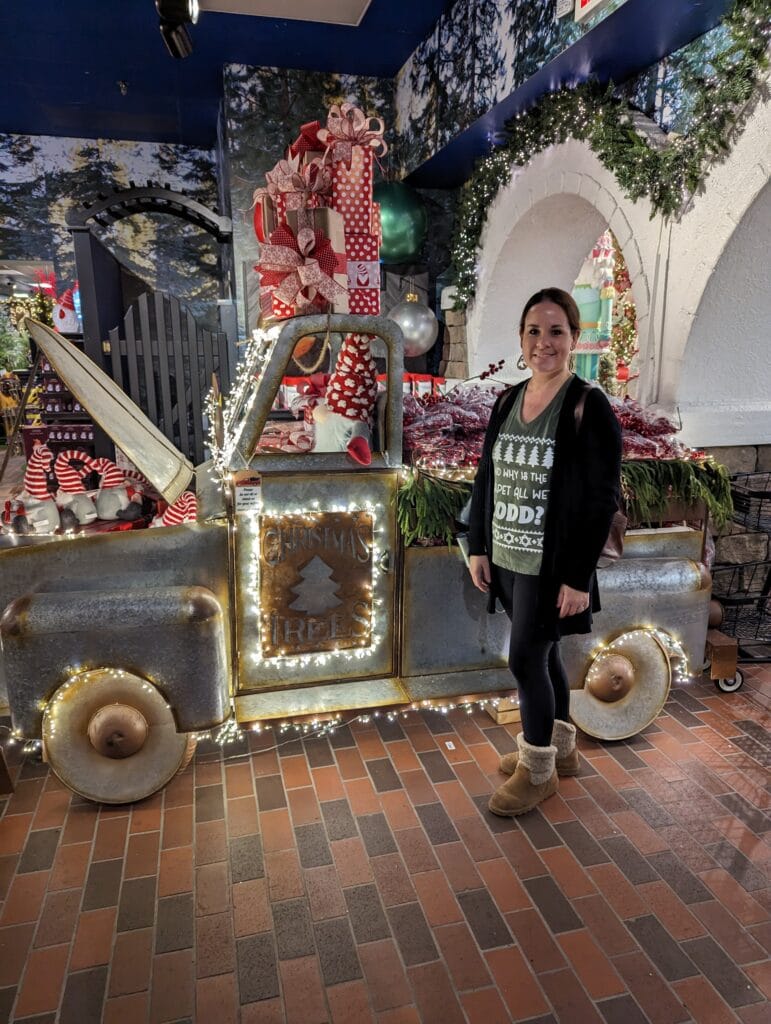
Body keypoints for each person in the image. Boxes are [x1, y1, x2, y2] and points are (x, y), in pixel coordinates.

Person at [467, 287, 622, 816]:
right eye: (534, 331)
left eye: (556, 331)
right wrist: (478, 546)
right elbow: (487, 476)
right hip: (507, 556)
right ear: (521, 339)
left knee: (526, 658)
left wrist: (578, 578)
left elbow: (603, 500)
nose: (544, 342)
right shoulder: (507, 400)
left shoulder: (587, 404)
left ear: (574, 339)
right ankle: (561, 750)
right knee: (547, 650)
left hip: (551, 564)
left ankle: (537, 771)